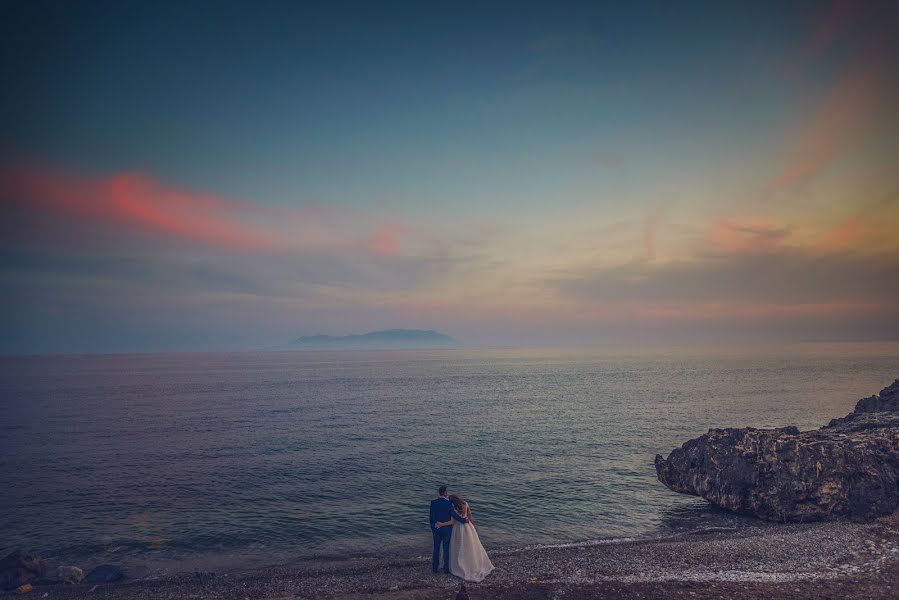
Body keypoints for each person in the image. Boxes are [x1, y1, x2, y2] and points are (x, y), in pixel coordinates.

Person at [434, 494, 494, 581]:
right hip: (468, 527)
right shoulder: (465, 504)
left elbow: (452, 522)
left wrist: (441, 524)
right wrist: (471, 524)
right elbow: (469, 515)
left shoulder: (452, 507)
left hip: (457, 529)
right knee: (470, 546)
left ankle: (457, 565)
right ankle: (471, 564)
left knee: (457, 547)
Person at [429, 485, 468, 573]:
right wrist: (463, 520)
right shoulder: (448, 504)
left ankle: (435, 568)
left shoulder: (433, 502)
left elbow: (431, 517)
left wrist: (432, 527)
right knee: (446, 548)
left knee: (436, 548)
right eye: (447, 491)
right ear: (445, 493)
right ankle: (446, 569)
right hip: (446, 529)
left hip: (436, 528)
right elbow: (454, 515)